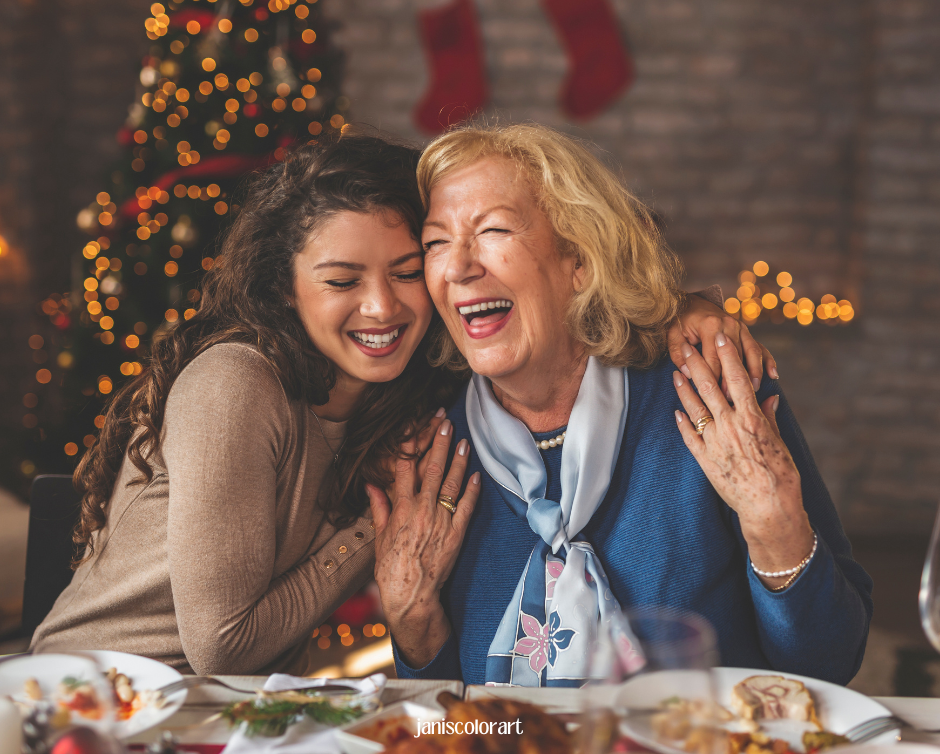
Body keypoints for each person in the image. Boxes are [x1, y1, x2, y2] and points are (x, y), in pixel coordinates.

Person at [32, 133, 759, 675]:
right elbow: (222, 647)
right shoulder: (238, 383)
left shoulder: (419, 390)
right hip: (99, 699)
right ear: (287, 288)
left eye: (409, 270)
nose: (381, 307)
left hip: (236, 708)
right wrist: (365, 532)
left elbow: (576, 303)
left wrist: (688, 313)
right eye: (342, 279)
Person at [369, 123, 873, 688]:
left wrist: (774, 523)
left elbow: (831, 663)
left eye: (494, 230)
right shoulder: (433, 445)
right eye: (436, 242)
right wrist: (413, 622)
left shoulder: (709, 390)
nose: (458, 266)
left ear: (579, 261)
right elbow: (442, 725)